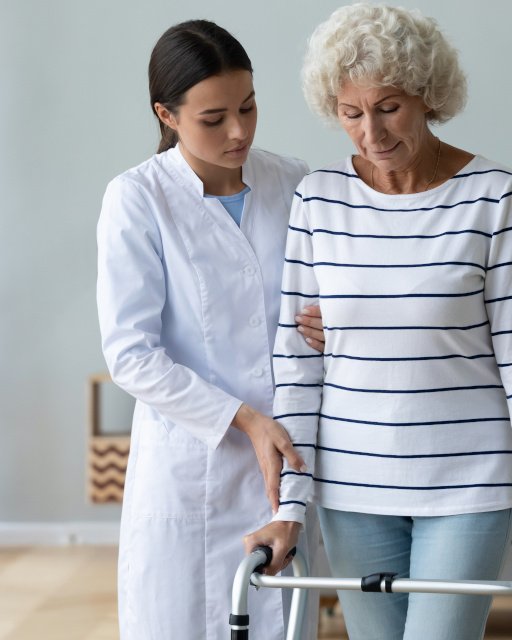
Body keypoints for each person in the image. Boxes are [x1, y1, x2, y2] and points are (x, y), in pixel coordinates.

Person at [244, 4, 512, 639]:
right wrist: (291, 508)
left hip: (466, 481)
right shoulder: (320, 198)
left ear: (427, 95)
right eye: (351, 112)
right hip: (353, 485)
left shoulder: (494, 197)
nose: (371, 131)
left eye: (389, 106)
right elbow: (299, 366)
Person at [96, 20, 322, 640]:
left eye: (248, 107)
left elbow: (322, 306)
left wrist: (336, 323)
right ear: (166, 115)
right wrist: (245, 419)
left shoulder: (295, 182)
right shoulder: (137, 198)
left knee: (282, 621)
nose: (240, 131)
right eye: (214, 118)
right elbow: (132, 355)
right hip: (192, 464)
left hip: (287, 460)